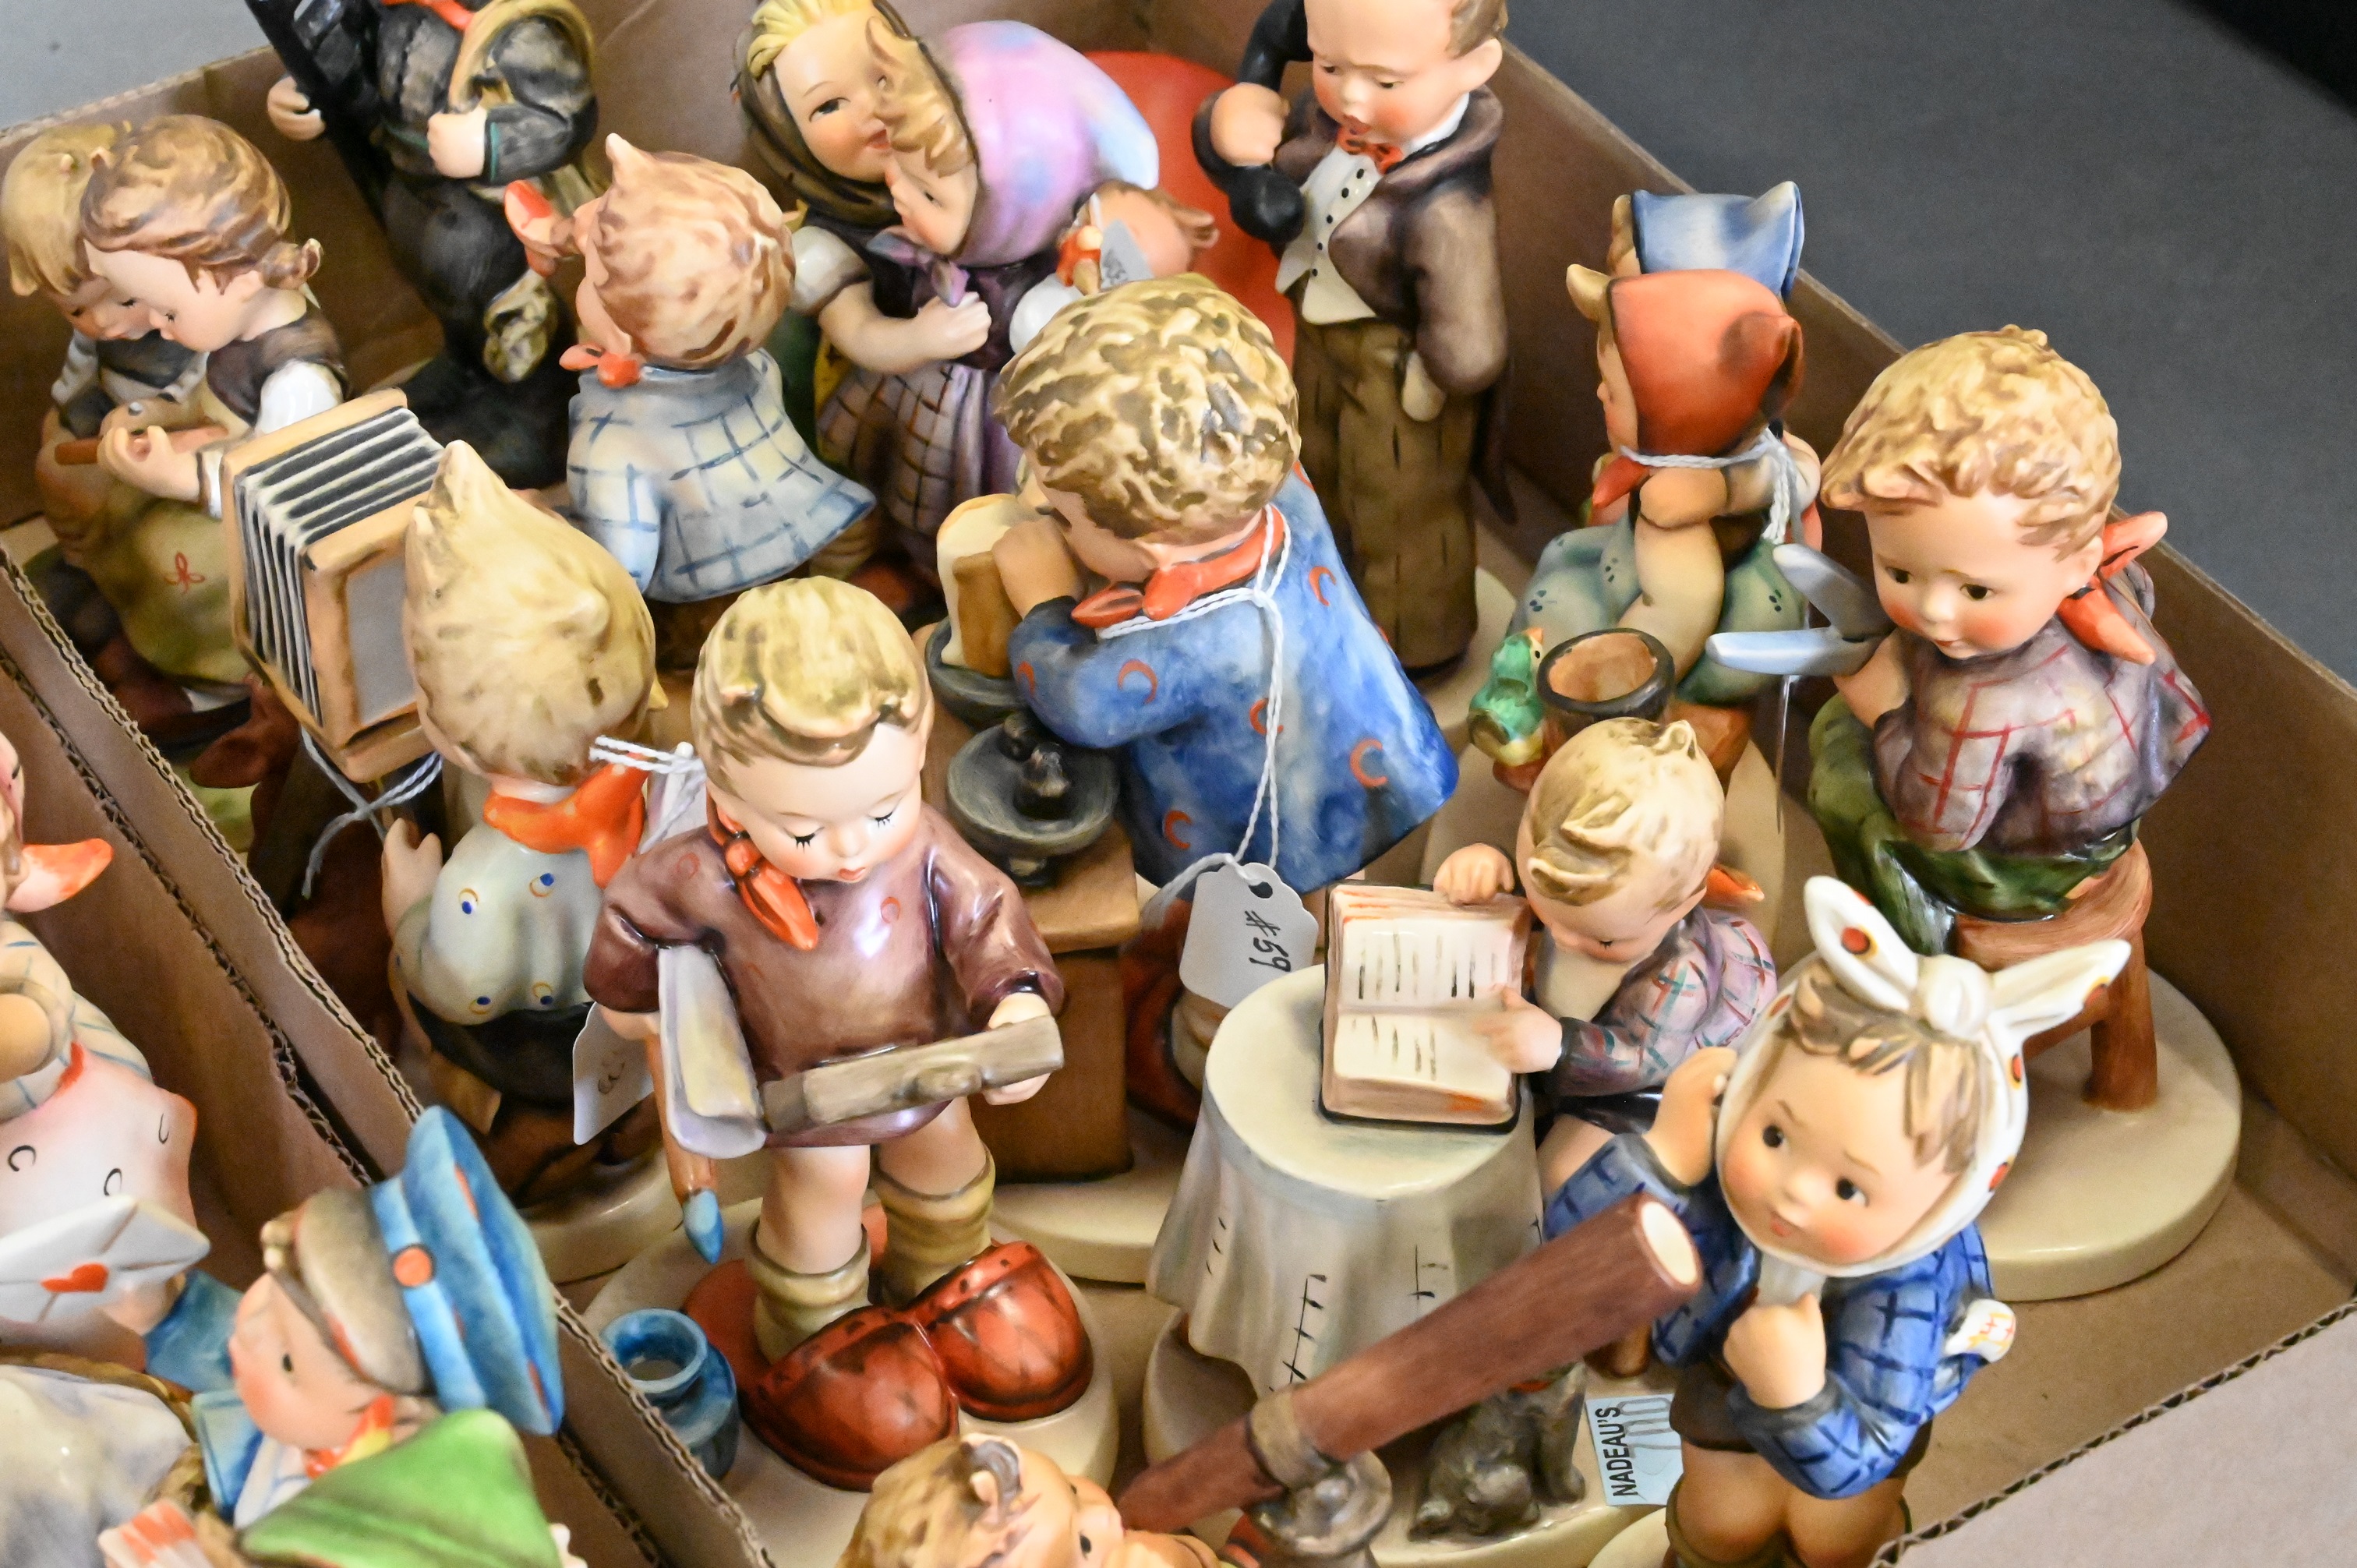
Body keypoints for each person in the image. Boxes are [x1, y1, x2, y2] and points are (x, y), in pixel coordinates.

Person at [582, 579, 1087, 1489]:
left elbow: (986, 915)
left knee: (947, 1155)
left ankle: (945, 1272)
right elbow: (631, 926)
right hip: (807, 1092)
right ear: (727, 791)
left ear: (919, 754)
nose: (852, 848)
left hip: (931, 1061)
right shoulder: (697, 874)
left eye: (882, 808)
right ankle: (812, 1321)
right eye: (805, 828)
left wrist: (1014, 999)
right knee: (827, 1186)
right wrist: (641, 1003)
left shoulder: (924, 847)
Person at [1546, 877, 2124, 1567]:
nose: (1791, 1194)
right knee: (1719, 1526)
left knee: (1834, 1542)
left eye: (1850, 1187)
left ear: (1948, 1200)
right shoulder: (1722, 1190)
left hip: (1844, 1438)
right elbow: (1567, 1260)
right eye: (1774, 1137)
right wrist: (1662, 1158)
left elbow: (1869, 1446)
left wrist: (1796, 1396)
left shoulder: (1909, 1286)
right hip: (1721, 1396)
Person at [991, 275, 1458, 901]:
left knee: (1288, 915)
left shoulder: (1205, 642)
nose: (1051, 519)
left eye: (1063, 516)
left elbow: (1083, 704)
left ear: (1154, 546)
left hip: (1278, 830)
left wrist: (1043, 604)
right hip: (1369, 755)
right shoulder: (1272, 487)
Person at [1808, 327, 2210, 954]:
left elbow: (1938, 825)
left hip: (2034, 866)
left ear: (2078, 563)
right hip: (2117, 803)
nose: (1934, 612)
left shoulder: (1977, 703)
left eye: (1976, 591)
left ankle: (1908, 951)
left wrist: (1885, 710)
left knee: (1839, 763)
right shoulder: (2109, 578)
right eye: (1901, 572)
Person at [382, 442, 663, 1204]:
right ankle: (621, 1130)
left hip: (534, 1048)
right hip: (626, 1015)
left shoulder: (481, 874)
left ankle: (529, 1147)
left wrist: (409, 908)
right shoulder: (646, 788)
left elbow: (461, 987)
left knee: (407, 988)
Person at [1198, 0, 1512, 672]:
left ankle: (1414, 648)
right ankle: (1326, 607)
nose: (1352, 98)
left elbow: (1473, 337)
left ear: (1474, 66)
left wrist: (1439, 376)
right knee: (1317, 474)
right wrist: (1227, 123)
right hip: (1319, 336)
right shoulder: (1325, 127)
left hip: (1402, 372)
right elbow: (1252, 161)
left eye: (1386, 80)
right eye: (1330, 65)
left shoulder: (1448, 205)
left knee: (1397, 504)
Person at [507, 136, 875, 670]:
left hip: (694, 617)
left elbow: (621, 571)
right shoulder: (756, 368)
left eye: (588, 277)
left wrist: (543, 528)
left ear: (623, 336)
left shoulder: (613, 442)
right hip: (793, 560)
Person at [813, 18, 1156, 571]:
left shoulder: (1051, 281)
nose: (898, 192)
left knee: (976, 501)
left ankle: (955, 569)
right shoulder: (909, 242)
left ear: (1011, 215)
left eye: (929, 195)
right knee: (890, 468)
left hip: (988, 411)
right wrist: (919, 338)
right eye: (896, 162)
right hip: (917, 384)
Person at [1431, 718, 1773, 1195]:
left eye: (1605, 942)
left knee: (1555, 1178)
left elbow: (1641, 1057)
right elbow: (1546, 901)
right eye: (1547, 909)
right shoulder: (1580, 901)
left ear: (1688, 902)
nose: (1565, 939)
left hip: (1635, 1085)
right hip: (1550, 1035)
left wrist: (1559, 1047)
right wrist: (1487, 867)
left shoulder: (1680, 977)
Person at [262, 0, 597, 486]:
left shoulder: (515, 31)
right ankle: (467, 369)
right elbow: (358, 75)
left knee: (511, 312)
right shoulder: (388, 13)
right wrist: (312, 98)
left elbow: (566, 117)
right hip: (414, 186)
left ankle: (538, 416)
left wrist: (490, 143)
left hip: (488, 207)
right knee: (448, 295)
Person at [2, 122, 243, 726]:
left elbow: (211, 393)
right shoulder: (105, 331)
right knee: (57, 467)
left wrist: (156, 430)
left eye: (127, 298)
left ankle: (209, 686)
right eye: (78, 309)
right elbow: (81, 370)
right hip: (117, 439)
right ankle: (102, 594)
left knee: (171, 557)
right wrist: (71, 419)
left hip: (184, 452)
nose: (108, 324)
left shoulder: (203, 320)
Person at [81, 117, 345, 527]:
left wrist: (185, 478)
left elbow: (282, 492)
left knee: (148, 542)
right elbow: (206, 390)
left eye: (169, 311)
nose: (155, 322)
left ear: (242, 280)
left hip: (259, 532)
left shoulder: (299, 384)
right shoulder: (234, 324)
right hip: (219, 459)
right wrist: (166, 410)